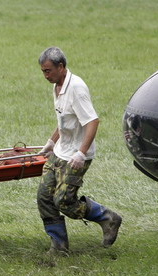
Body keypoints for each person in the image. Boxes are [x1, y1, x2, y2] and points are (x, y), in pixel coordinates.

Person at [36, 47, 122, 255]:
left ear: (61, 67)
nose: (45, 75)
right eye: (43, 71)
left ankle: (107, 218)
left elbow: (92, 121)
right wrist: (50, 142)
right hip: (60, 151)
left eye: (48, 71)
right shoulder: (57, 85)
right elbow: (64, 120)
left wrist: (81, 153)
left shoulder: (76, 88)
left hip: (76, 154)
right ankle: (59, 246)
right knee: (44, 197)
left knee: (63, 200)